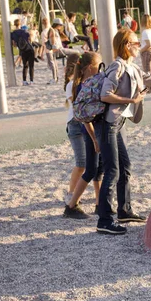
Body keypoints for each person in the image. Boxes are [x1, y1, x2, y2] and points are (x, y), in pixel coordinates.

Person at [96, 29, 151, 234]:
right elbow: (105, 95)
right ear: (127, 45)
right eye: (136, 43)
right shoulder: (117, 66)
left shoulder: (132, 68)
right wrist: (131, 100)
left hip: (118, 123)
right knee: (112, 170)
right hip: (108, 123)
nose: (139, 46)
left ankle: (124, 210)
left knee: (125, 166)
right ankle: (104, 220)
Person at [63, 51, 104, 219]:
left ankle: (98, 202)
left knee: (96, 167)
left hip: (88, 126)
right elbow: (83, 114)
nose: (101, 69)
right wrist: (94, 139)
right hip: (78, 125)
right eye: (99, 66)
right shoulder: (78, 85)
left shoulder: (88, 83)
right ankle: (71, 199)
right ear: (89, 67)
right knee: (83, 165)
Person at [62, 52, 87, 209]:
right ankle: (71, 192)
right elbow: (78, 107)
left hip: (84, 123)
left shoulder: (81, 82)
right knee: (81, 163)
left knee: (89, 163)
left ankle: (76, 191)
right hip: (76, 124)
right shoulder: (72, 84)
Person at [11, 20, 35, 85]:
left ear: (14, 24)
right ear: (20, 24)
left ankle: (24, 81)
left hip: (22, 51)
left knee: (25, 66)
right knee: (31, 66)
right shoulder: (24, 32)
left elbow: (14, 44)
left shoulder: (13, 34)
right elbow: (30, 40)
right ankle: (31, 81)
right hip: (29, 50)